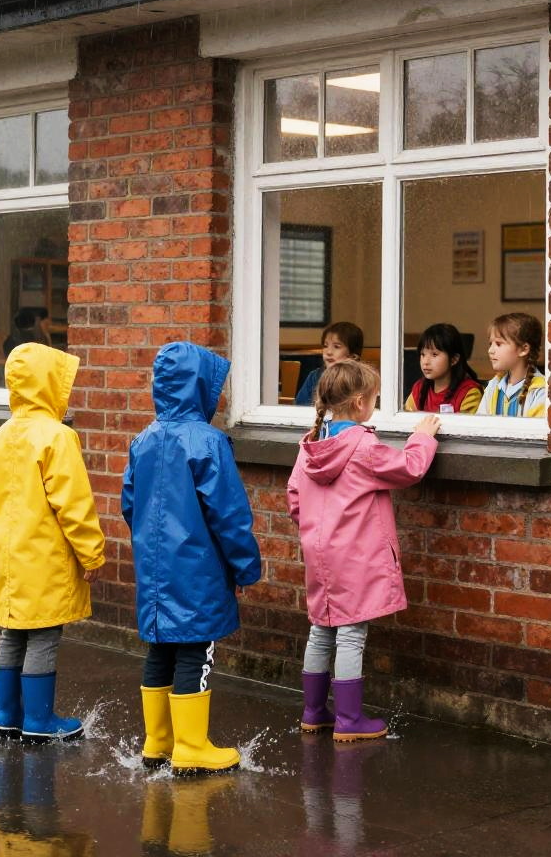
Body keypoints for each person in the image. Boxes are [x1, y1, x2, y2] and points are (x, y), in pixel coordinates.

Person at [122, 341, 262, 775]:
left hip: (155, 567)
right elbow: (229, 515)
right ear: (200, 387)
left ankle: (157, 741)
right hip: (199, 569)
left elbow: (130, 504)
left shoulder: (143, 440)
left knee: (161, 648)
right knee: (195, 651)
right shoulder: (208, 442)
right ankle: (190, 746)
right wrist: (245, 567)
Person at [287, 360, 439, 742]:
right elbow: (409, 468)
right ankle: (349, 719)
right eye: (374, 398)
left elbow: (294, 498)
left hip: (319, 556)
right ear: (359, 403)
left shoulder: (310, 445)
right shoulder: (363, 446)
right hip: (356, 558)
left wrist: (315, 531)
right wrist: (423, 437)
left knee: (321, 630)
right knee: (351, 634)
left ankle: (313, 712)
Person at [0, 342, 105, 743]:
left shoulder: (0, 436)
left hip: (9, 553)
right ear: (49, 384)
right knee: (44, 634)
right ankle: (39, 720)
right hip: (45, 555)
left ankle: (6, 715)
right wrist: (91, 553)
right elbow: (74, 503)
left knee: (13, 631)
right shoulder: (57, 437)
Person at [478, 312, 547, 418]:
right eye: (490, 344)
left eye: (498, 344)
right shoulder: (494, 385)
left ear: (524, 349)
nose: (490, 350)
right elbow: (480, 424)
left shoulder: (540, 391)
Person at [404, 323, 482, 414]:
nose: (425, 362)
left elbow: (464, 423)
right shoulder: (419, 389)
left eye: (434, 354)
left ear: (454, 359)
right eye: (423, 354)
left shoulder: (469, 393)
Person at [294, 321, 364, 406]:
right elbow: (300, 408)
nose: (329, 352)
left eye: (336, 347)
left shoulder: (362, 379)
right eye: (325, 346)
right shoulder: (314, 376)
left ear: (352, 356)